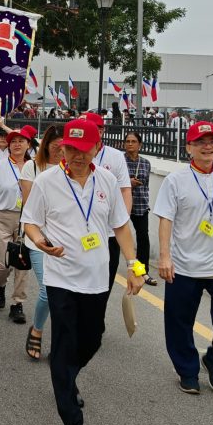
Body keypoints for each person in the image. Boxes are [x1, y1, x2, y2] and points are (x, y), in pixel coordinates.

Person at [21, 119, 146, 425]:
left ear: (96, 147)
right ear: (62, 148)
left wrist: (135, 266)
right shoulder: (47, 182)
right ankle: (72, 423)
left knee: (92, 338)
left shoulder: (106, 179)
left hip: (96, 276)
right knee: (63, 343)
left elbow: (121, 227)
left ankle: (67, 375)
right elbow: (29, 221)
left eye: (83, 148)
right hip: (61, 276)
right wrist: (41, 242)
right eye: (70, 149)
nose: (76, 155)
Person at [153, 121, 213, 395]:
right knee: (179, 322)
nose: (208, 146)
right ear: (189, 148)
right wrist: (164, 256)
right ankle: (187, 370)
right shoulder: (176, 180)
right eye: (201, 142)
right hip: (183, 265)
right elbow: (165, 219)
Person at [0, 124, 37, 324]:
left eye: (21, 141)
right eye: (13, 141)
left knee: (22, 263)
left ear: (29, 144)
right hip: (2, 217)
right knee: (3, 262)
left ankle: (17, 303)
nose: (17, 144)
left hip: (26, 221)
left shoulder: (34, 167)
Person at [19, 123, 63, 359]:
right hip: (38, 239)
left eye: (64, 147)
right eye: (56, 147)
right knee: (47, 291)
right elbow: (29, 206)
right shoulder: (32, 167)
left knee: (64, 294)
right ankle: (37, 329)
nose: (61, 152)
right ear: (46, 145)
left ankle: (59, 343)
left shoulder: (73, 169)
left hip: (66, 242)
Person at [77, 113, 132, 292]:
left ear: (102, 130)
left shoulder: (116, 156)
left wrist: (122, 220)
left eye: (97, 128)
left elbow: (125, 190)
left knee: (105, 281)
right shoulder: (74, 154)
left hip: (108, 232)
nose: (93, 131)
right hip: (78, 229)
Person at [124, 131, 157, 286]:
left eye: (134, 141)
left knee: (143, 238)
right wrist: (128, 182)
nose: (130, 144)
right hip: (122, 204)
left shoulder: (145, 163)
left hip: (140, 204)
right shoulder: (120, 160)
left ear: (140, 144)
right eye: (128, 141)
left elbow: (147, 184)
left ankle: (142, 271)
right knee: (117, 237)